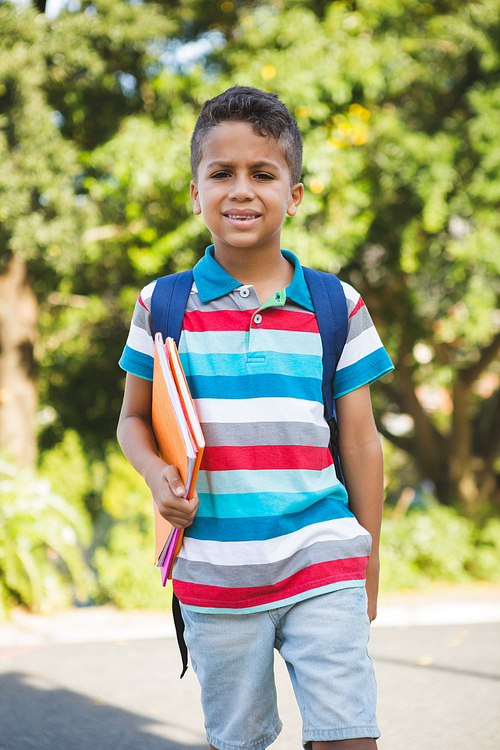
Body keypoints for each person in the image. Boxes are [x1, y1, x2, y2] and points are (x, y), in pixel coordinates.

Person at [117, 85, 394, 750]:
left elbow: (360, 441)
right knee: (235, 740)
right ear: (195, 193)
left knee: (349, 734)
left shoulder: (338, 304)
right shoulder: (163, 305)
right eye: (222, 173)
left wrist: (370, 557)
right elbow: (132, 419)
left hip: (320, 557)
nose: (242, 190)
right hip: (215, 570)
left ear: (294, 194)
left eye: (263, 174)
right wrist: (156, 474)